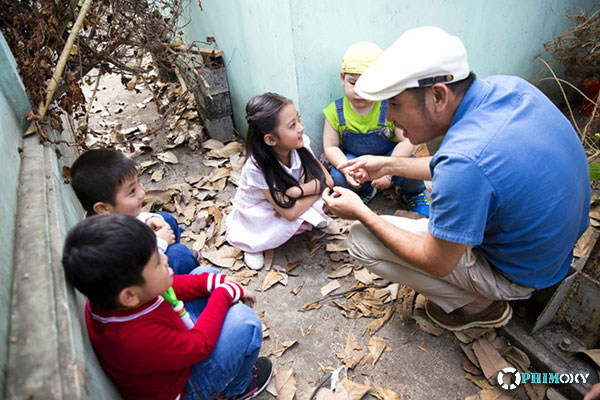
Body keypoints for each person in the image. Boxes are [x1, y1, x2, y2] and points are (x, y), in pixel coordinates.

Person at [323, 26, 590, 331]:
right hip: (552, 254)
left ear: (437, 94)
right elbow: (475, 161)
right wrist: (388, 165)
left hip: (517, 275)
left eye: (394, 104)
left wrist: (361, 211)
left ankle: (478, 305)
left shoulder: (463, 163)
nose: (390, 118)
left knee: (360, 239)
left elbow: (436, 261)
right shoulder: (508, 89)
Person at [62, 214, 271, 400]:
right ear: (129, 296)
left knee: (206, 276)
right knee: (245, 324)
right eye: (155, 262)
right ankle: (236, 390)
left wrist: (218, 284)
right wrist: (224, 294)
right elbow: (199, 345)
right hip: (183, 387)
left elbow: (169, 286)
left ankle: (232, 357)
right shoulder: (135, 339)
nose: (164, 257)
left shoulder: (114, 296)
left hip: (173, 353)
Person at [226, 92, 334, 270]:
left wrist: (298, 192)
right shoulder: (256, 167)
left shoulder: (301, 143)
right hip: (260, 208)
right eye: (292, 126)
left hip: (287, 198)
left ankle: (299, 213)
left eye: (298, 120)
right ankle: (252, 245)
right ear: (270, 139)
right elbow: (290, 213)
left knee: (315, 201)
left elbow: (327, 180)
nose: (301, 128)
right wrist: (315, 190)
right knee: (286, 219)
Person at [322, 41, 430, 216]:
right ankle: (364, 192)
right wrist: (346, 169)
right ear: (342, 78)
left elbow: (406, 141)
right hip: (355, 160)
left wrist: (388, 171)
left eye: (367, 84)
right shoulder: (335, 111)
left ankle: (414, 194)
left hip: (389, 157)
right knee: (339, 177)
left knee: (411, 164)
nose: (359, 91)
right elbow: (331, 146)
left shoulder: (388, 106)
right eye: (353, 83)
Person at [70, 149, 199, 275]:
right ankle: (188, 276)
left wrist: (149, 219)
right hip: (142, 282)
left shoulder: (107, 217)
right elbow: (135, 267)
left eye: (138, 183)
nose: (142, 193)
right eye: (132, 191)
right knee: (179, 255)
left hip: (149, 256)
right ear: (103, 208)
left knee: (165, 219)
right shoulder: (103, 241)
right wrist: (159, 242)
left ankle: (181, 266)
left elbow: (131, 220)